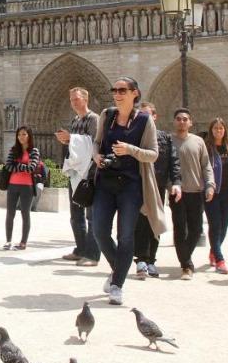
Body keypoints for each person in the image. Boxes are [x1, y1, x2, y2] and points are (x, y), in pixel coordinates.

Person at [90, 77, 164, 305]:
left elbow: (153, 154)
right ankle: (118, 270)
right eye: (114, 90)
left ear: (135, 93)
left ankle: (117, 285)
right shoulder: (107, 115)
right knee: (100, 231)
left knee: (125, 235)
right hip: (105, 182)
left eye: (122, 90)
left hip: (131, 186)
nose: (117, 93)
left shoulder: (144, 120)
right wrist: (97, 156)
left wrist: (129, 150)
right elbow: (97, 142)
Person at [133, 103, 181, 279]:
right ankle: (140, 260)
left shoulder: (165, 138)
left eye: (148, 115)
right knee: (139, 223)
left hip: (157, 186)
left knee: (155, 223)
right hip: (137, 186)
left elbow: (174, 162)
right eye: (141, 115)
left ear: (155, 117)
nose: (145, 118)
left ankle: (151, 260)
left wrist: (176, 182)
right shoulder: (133, 136)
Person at [56, 88, 101, 265]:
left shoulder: (94, 119)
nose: (73, 102)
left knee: (91, 215)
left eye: (76, 99)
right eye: (71, 100)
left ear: (86, 99)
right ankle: (81, 249)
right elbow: (77, 144)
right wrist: (67, 140)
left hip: (90, 173)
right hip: (75, 172)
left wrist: (71, 138)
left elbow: (95, 143)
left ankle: (92, 255)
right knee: (75, 214)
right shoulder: (75, 120)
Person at [168, 108, 212, 280]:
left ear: (190, 122)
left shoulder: (199, 141)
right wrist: (170, 185)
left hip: (195, 190)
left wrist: (210, 185)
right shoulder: (168, 141)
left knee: (196, 229)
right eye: (178, 119)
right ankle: (187, 265)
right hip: (176, 191)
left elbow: (206, 165)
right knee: (180, 229)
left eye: (185, 119)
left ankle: (185, 257)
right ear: (174, 121)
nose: (182, 122)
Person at [204, 117, 228, 275]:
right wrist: (207, 186)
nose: (218, 131)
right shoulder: (206, 147)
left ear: (225, 130)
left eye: (221, 128)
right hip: (213, 192)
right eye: (215, 128)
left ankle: (214, 251)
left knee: (223, 227)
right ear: (211, 130)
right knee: (215, 225)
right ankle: (220, 259)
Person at [2, 126, 42, 250]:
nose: (21, 137)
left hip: (27, 187)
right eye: (19, 134)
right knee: (10, 213)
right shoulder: (13, 150)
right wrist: (24, 165)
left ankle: (23, 242)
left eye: (24, 134)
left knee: (25, 214)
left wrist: (17, 165)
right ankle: (8, 241)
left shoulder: (34, 151)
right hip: (13, 185)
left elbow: (32, 168)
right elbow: (8, 166)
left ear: (29, 136)